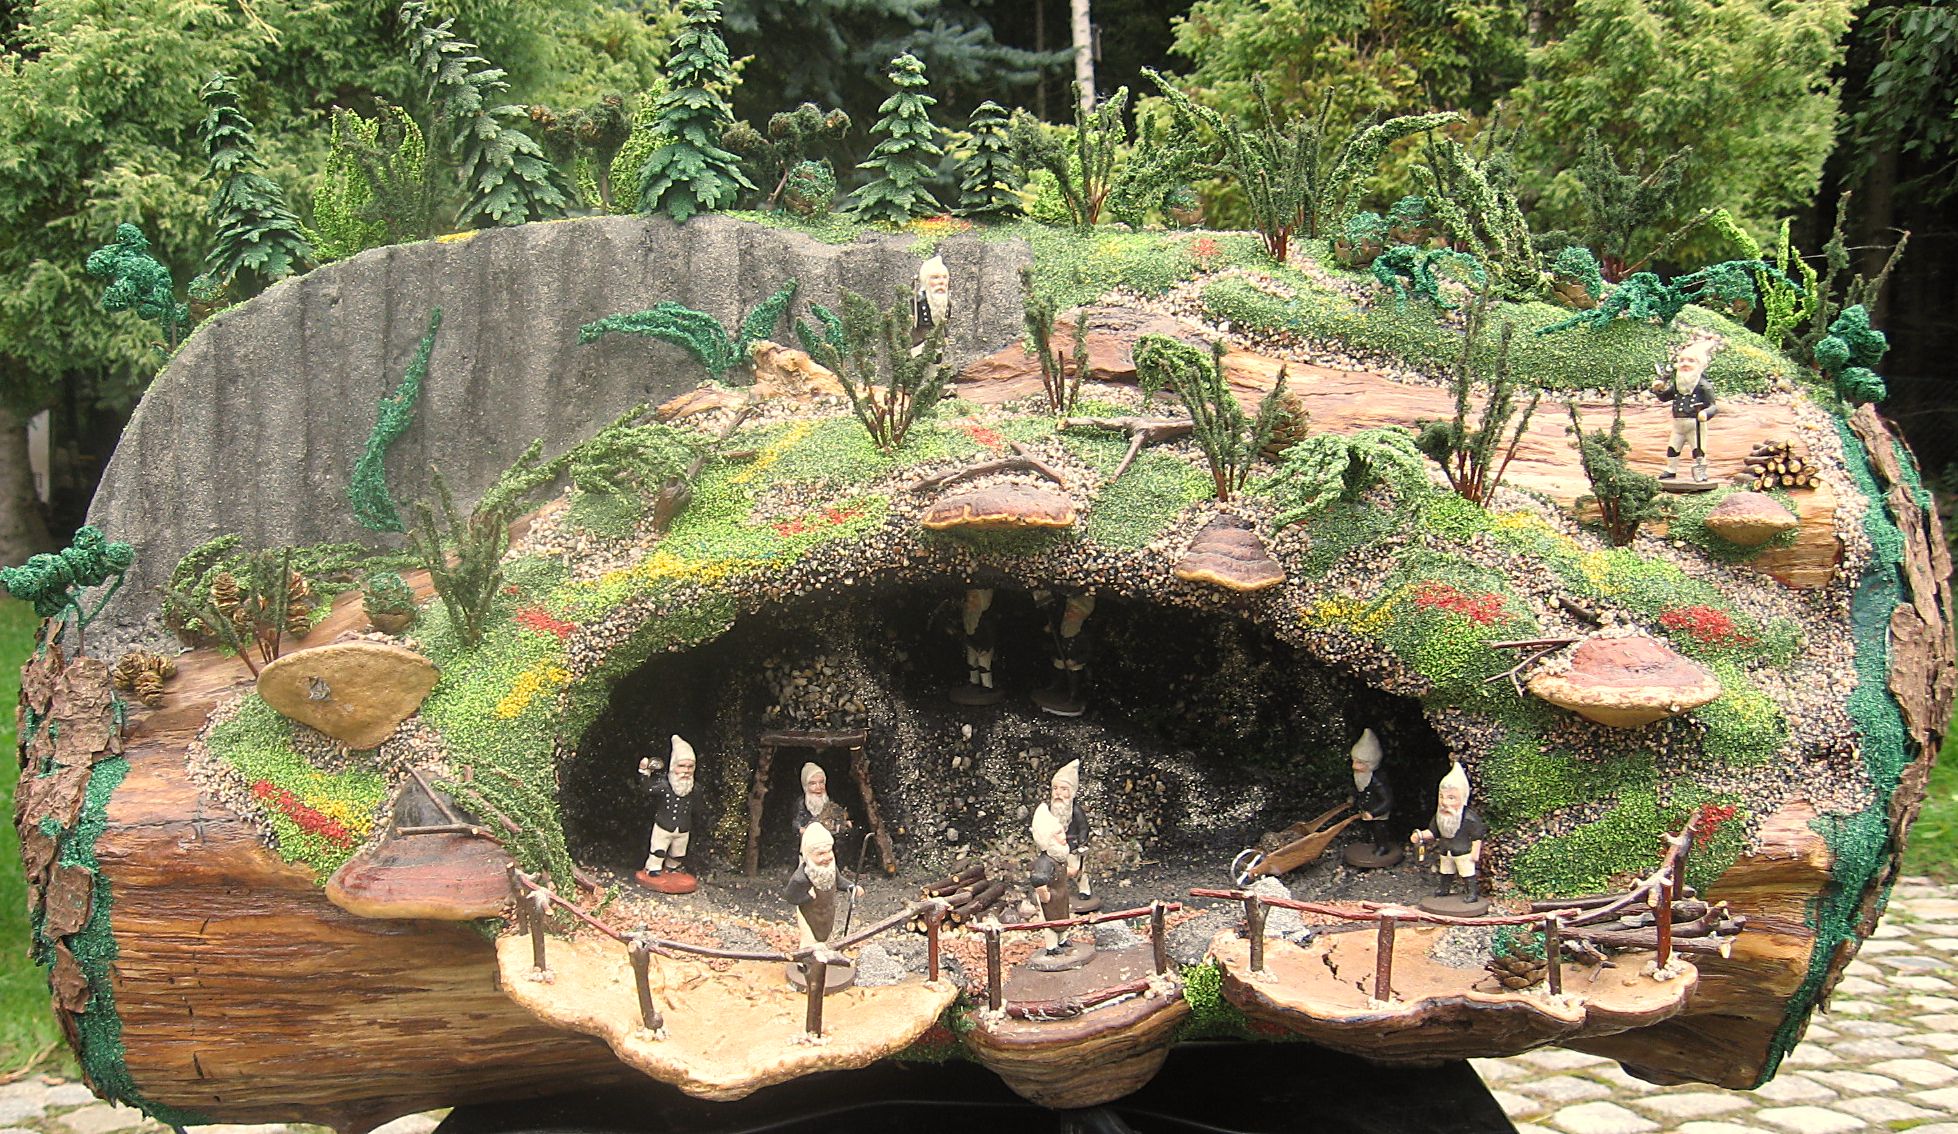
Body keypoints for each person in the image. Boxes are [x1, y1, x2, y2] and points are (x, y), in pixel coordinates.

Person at [1412, 761, 1488, 906]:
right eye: (1442, 797)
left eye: (1451, 798)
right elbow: (1433, 832)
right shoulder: (1439, 816)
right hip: (1445, 849)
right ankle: (1444, 889)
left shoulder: (1469, 818)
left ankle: (1472, 893)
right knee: (1446, 871)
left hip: (1463, 851)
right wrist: (1420, 835)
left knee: (1467, 873)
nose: (1444, 802)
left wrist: (1475, 852)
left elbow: (1477, 836)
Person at [1652, 333, 1721, 482]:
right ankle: (1671, 470)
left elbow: (1713, 407)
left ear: (1700, 364)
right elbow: (1665, 397)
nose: (1685, 364)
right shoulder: (1678, 384)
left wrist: (1705, 413)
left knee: (1698, 450)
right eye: (1682, 360)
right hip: (1678, 424)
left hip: (1695, 424)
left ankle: (1700, 472)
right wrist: (1658, 390)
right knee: (1673, 447)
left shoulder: (1703, 386)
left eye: (1691, 361)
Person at [635, 735, 700, 894]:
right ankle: (653, 868)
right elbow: (647, 789)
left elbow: (699, 807)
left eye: (690, 767)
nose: (686, 771)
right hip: (664, 825)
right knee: (658, 849)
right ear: (673, 766)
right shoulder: (665, 786)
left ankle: (673, 868)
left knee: (678, 852)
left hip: (683, 828)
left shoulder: (693, 788)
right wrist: (644, 773)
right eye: (682, 766)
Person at [785, 822, 861, 949]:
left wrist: (851, 887)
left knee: (825, 940)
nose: (827, 857)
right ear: (809, 855)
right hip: (809, 916)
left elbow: (839, 881)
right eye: (820, 854)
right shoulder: (801, 878)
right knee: (810, 944)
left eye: (829, 851)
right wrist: (807, 896)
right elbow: (790, 897)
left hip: (828, 914)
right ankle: (806, 958)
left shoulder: (830, 869)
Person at [1343, 728, 1401, 869]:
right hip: (1365, 808)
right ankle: (1370, 841)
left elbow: (1387, 800)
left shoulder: (1377, 780)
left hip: (1377, 811)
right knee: (1367, 827)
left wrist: (1374, 813)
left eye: (1359, 763)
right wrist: (1352, 798)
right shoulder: (1359, 776)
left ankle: (1382, 846)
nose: (1354, 766)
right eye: (1354, 761)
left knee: (1379, 828)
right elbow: (1357, 789)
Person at [950, 587, 1002, 705]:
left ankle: (987, 686)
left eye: (974, 597)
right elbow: (965, 630)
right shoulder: (967, 616)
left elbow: (991, 635)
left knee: (984, 666)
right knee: (971, 663)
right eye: (968, 597)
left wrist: (986, 647)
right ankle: (973, 681)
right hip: (971, 643)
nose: (970, 600)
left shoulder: (986, 619)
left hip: (983, 646)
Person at [792, 762, 854, 837]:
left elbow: (839, 818)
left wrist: (843, 824)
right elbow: (797, 826)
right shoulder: (801, 804)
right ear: (806, 786)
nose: (818, 787)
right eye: (813, 784)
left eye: (821, 782)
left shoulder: (830, 801)